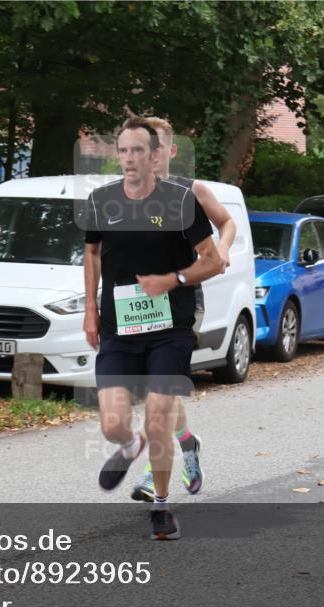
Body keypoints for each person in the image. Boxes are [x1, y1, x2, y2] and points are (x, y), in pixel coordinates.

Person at [83, 116, 221, 540]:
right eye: (122, 150)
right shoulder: (101, 200)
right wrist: (90, 308)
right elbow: (92, 253)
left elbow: (212, 260)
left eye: (137, 150)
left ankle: (161, 507)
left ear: (154, 154)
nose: (129, 158)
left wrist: (172, 280)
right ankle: (127, 445)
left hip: (169, 327)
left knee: (158, 417)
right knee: (111, 422)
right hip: (119, 329)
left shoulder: (181, 202)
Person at [128, 116, 238, 503]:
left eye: (157, 149)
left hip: (183, 300)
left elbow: (227, 223)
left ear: (170, 152)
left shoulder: (192, 191)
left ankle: (149, 475)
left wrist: (222, 248)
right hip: (139, 305)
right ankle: (188, 444)